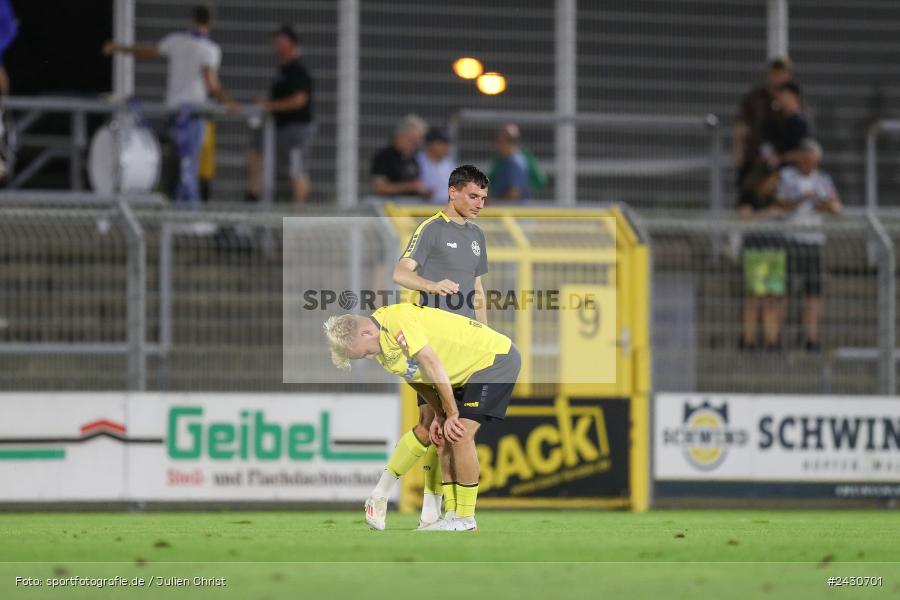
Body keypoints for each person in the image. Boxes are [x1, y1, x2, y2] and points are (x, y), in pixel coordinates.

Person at [365, 165, 489, 531]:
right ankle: (384, 494)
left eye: (483, 198)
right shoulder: (431, 229)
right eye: (472, 196)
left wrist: (483, 334)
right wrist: (433, 286)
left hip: (466, 346)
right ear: (452, 192)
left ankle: (434, 514)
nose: (479, 203)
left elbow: (478, 290)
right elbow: (400, 274)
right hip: (432, 344)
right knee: (430, 423)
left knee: (449, 429)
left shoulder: (478, 235)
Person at [323, 303, 520, 532]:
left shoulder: (397, 320)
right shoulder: (381, 350)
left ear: (367, 332)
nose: (368, 358)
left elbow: (431, 363)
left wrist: (452, 412)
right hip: (461, 373)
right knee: (444, 437)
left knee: (460, 434)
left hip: (493, 359)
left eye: (365, 353)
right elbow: (417, 377)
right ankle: (452, 516)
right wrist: (439, 413)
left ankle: (465, 520)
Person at [103, 5, 238, 208]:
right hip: (192, 114)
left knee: (176, 163)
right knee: (189, 165)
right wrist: (228, 102)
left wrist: (119, 48)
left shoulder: (176, 41)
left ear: (192, 20)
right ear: (210, 23)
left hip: (174, 112)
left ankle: (174, 208)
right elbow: (211, 82)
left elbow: (145, 52)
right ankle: (188, 213)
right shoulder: (210, 49)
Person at [775, 139, 842, 351]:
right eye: (808, 161)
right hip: (791, 239)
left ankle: (811, 339)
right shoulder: (787, 176)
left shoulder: (823, 180)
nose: (811, 165)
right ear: (801, 159)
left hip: (814, 241)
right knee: (782, 291)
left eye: (815, 162)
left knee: (813, 292)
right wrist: (802, 199)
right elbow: (779, 203)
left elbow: (836, 207)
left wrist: (825, 205)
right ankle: (775, 338)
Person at [246, 25, 316, 205]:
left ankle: (297, 220)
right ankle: (253, 198)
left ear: (291, 44)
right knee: (256, 151)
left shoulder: (298, 70)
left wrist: (268, 105)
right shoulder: (282, 71)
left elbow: (299, 100)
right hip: (278, 128)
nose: (276, 45)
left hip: (296, 131)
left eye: (280, 41)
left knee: (297, 170)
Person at [737, 164, 786, 351]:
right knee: (754, 297)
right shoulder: (748, 196)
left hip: (775, 252)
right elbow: (745, 219)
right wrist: (768, 214)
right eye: (773, 179)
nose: (775, 184)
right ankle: (748, 340)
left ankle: (771, 340)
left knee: (772, 298)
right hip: (756, 252)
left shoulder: (776, 198)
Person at [733, 58, 793, 190]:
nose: (778, 78)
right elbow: (741, 125)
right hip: (755, 158)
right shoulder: (755, 98)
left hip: (783, 161)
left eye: (781, 73)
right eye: (774, 73)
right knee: (749, 197)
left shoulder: (793, 98)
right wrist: (738, 150)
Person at [370, 114, 428, 198]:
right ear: (401, 136)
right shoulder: (384, 157)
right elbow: (379, 188)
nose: (416, 144)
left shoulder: (413, 157)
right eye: (412, 140)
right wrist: (409, 187)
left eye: (418, 141)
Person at [489, 123, 531, 200]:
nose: (497, 144)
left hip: (509, 211)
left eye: (499, 139)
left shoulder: (515, 163)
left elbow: (513, 195)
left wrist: (494, 204)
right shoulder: (505, 160)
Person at [416, 127, 455, 203]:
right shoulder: (418, 161)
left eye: (446, 144)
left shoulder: (448, 163)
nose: (446, 147)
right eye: (442, 143)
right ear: (430, 144)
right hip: (423, 206)